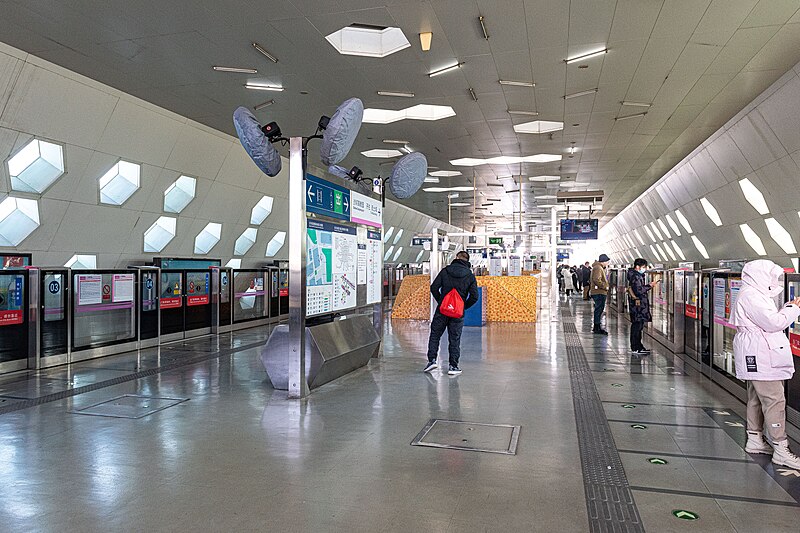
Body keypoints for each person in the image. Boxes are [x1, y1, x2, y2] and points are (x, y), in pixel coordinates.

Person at [730, 259, 800, 469]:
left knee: (756, 398)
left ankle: (755, 439)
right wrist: (791, 308)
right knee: (774, 400)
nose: (774, 280)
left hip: (757, 352)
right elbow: (773, 322)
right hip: (761, 354)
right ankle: (781, 449)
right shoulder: (752, 296)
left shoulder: (752, 293)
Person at [424, 251, 479, 375]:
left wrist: (442, 301)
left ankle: (432, 360)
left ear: (456, 258)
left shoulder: (446, 271)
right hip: (457, 313)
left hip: (442, 310)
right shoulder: (469, 275)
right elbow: (475, 296)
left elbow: (434, 288)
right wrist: (462, 307)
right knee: (454, 338)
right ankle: (453, 366)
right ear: (467, 260)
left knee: (435, 334)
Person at [627, 258, 658, 355]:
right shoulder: (636, 277)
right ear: (637, 267)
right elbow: (638, 290)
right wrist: (649, 285)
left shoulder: (635, 275)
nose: (644, 269)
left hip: (638, 305)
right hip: (638, 306)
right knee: (637, 326)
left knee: (638, 326)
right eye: (643, 267)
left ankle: (638, 346)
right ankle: (636, 347)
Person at [590, 254, 611, 334]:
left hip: (598, 291)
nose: (607, 263)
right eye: (607, 261)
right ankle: (597, 327)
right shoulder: (598, 268)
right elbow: (596, 279)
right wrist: (605, 287)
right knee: (599, 309)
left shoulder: (598, 267)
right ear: (604, 261)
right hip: (599, 292)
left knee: (599, 309)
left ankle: (597, 326)